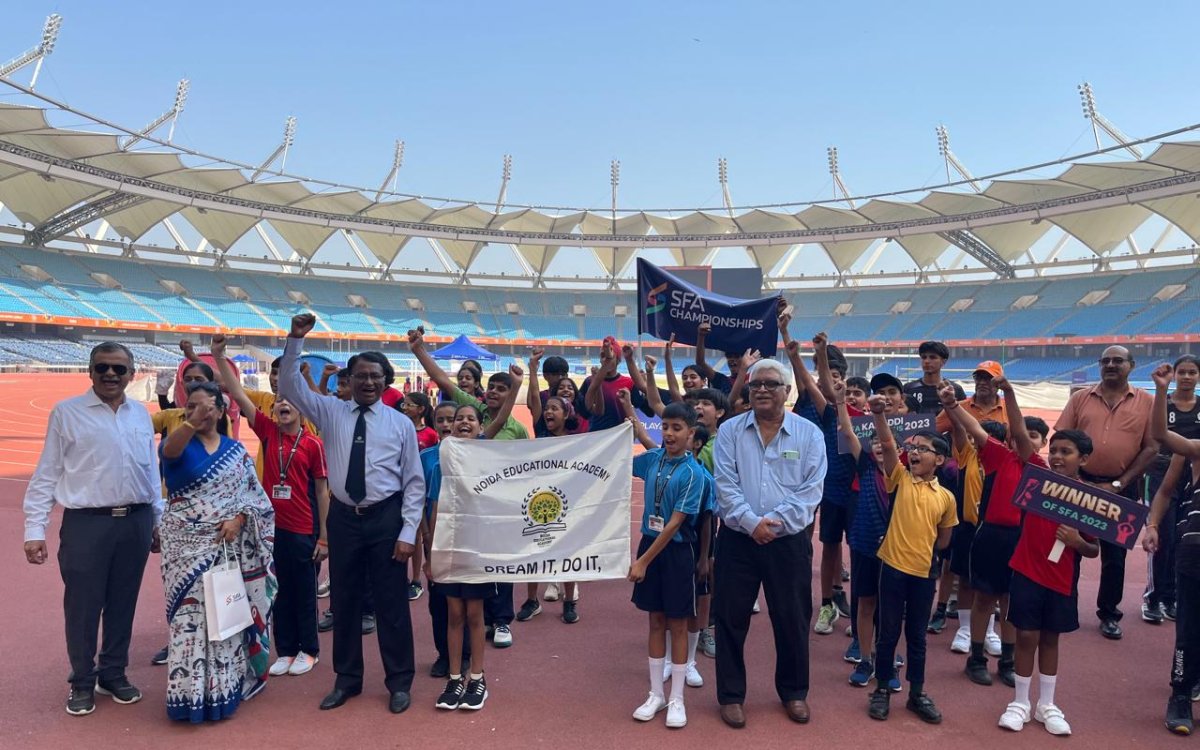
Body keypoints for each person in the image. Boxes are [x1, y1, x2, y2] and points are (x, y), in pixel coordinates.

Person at [280, 313, 426, 715]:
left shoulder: (400, 425)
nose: (367, 382)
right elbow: (289, 384)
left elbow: (414, 482)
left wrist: (408, 532)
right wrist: (295, 340)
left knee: (391, 603)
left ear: (385, 381)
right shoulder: (330, 411)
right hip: (344, 517)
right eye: (360, 375)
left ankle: (399, 682)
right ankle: (347, 680)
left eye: (375, 376)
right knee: (343, 601)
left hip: (386, 518)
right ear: (351, 377)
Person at [23, 342, 161, 717]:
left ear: (132, 373)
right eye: (102, 368)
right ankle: (82, 681)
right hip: (87, 524)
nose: (111, 375)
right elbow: (47, 472)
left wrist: (157, 520)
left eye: (119, 368)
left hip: (135, 520)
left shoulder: (141, 414)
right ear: (90, 371)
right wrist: (34, 528)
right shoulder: (66, 413)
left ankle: (113, 673)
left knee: (123, 603)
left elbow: (150, 470)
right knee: (83, 607)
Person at [712, 358, 827, 728]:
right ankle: (731, 696)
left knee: (793, 619)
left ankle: (794, 692)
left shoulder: (809, 434)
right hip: (736, 540)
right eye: (755, 384)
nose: (761, 389)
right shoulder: (730, 431)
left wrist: (771, 527)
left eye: (771, 384)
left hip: (788, 543)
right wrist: (749, 523)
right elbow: (725, 485)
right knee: (730, 617)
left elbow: (810, 491)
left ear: (787, 391)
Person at [211, 333, 330, 679]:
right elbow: (237, 394)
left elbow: (322, 492)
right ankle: (286, 649)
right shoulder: (267, 431)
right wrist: (219, 357)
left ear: (300, 409)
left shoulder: (312, 444)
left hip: (302, 529)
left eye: (290, 402)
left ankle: (308, 649)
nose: (282, 404)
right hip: (267, 529)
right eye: (278, 401)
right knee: (275, 591)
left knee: (303, 591)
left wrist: (324, 537)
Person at [159, 381, 277, 722]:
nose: (198, 411)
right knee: (190, 619)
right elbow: (169, 455)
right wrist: (192, 423)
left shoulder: (235, 451)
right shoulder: (177, 442)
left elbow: (254, 498)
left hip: (227, 548)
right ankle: (188, 696)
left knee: (225, 617)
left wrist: (240, 519)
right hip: (185, 547)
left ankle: (224, 691)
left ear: (222, 410)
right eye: (190, 407)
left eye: (205, 406)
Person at [409, 329, 526, 648]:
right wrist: (420, 352)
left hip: (496, 506)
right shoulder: (468, 420)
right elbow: (444, 383)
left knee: (496, 567)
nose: (458, 424)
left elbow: (507, 429)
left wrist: (518, 386)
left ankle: (500, 621)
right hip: (458, 515)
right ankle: (469, 636)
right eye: (493, 388)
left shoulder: (511, 428)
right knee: (468, 576)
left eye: (503, 389)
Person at [428, 367, 524, 712]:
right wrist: (431, 552)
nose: (464, 422)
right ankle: (455, 678)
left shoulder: (485, 451)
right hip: (451, 546)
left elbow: (502, 418)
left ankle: (478, 679)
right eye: (459, 419)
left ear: (482, 428)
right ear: (450, 427)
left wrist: (517, 385)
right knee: (453, 614)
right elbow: (437, 505)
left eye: (471, 418)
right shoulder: (444, 455)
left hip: (479, 547)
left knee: (474, 615)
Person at [996, 414, 1098, 736]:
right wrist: (1009, 393)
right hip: (1027, 569)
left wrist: (1077, 541)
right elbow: (1023, 441)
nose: (1056, 456)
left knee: (1050, 638)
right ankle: (1020, 703)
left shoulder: (1090, 499)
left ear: (1083, 459)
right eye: (1053, 450)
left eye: (1065, 452)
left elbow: (1094, 549)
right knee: (1026, 635)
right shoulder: (1038, 477)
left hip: (1062, 577)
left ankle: (1047, 705)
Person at [942, 377, 1046, 687]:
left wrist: (1010, 395)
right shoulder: (1000, 456)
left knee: (1010, 602)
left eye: (1031, 436)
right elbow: (975, 429)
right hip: (991, 537)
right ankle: (976, 658)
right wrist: (951, 406)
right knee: (984, 599)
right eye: (1019, 435)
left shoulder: (1040, 467)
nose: (1023, 439)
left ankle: (1008, 662)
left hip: (1021, 541)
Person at [865, 392, 957, 724]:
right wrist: (878, 416)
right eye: (913, 448)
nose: (914, 453)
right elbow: (889, 448)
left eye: (923, 450)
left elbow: (945, 539)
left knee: (917, 636)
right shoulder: (900, 479)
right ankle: (881, 690)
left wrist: (930, 558)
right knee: (888, 633)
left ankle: (916, 693)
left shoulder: (946, 498)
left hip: (923, 574)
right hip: (891, 569)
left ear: (940, 460)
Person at [1055, 345, 1157, 640]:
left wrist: (1118, 484)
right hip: (1079, 484)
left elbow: (1151, 448)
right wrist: (1077, 479)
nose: (1111, 365)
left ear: (1131, 365)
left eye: (1118, 360)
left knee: (1115, 557)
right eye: (1106, 360)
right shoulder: (1080, 398)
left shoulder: (1146, 402)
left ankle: (1109, 613)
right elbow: (1062, 437)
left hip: (1121, 490)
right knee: (1069, 546)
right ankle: (1065, 606)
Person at [621, 400, 706, 729]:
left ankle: (677, 699)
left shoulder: (693, 474)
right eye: (666, 427)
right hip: (649, 544)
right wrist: (627, 422)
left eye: (677, 428)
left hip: (675, 552)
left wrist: (641, 561)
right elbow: (620, 460)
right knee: (655, 621)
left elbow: (673, 524)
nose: (670, 434)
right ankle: (656, 693)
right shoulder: (653, 459)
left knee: (678, 625)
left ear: (691, 433)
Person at [835, 379, 899, 692]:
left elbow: (887, 442)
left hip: (896, 550)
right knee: (866, 604)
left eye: (883, 443)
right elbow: (848, 431)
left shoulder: (903, 476)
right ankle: (865, 658)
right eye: (872, 442)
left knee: (890, 607)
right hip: (863, 545)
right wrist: (838, 402)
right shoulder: (864, 468)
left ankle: (886, 659)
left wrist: (879, 416)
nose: (877, 445)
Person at [1147, 363, 1200, 735]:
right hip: (1195, 549)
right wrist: (1162, 390)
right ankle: (1180, 695)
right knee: (1189, 627)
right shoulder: (1196, 448)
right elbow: (1162, 435)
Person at [1143, 355, 1200, 624]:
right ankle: (1153, 598)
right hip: (1164, 470)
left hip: (1194, 472)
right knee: (1162, 535)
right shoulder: (1162, 405)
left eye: (1192, 372)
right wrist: (1161, 389)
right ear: (1175, 374)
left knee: (1184, 537)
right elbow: (1157, 435)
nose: (1187, 377)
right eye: (1183, 372)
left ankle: (1171, 596)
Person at [423, 401, 471, 679]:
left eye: (449, 419)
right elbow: (423, 501)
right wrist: (427, 543)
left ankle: (465, 655)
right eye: (439, 420)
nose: (445, 424)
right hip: (438, 539)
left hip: (467, 540)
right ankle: (444, 654)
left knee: (467, 603)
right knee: (439, 603)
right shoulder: (428, 457)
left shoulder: (477, 456)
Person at [398, 391, 439, 602]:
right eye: (403, 405)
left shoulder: (430, 435)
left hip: (418, 491)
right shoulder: (398, 429)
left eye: (409, 405)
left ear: (421, 409)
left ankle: (415, 579)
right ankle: (400, 578)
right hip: (398, 490)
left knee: (414, 534)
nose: (404, 408)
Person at [902, 341, 966, 416]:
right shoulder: (908, 388)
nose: (927, 361)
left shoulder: (955, 390)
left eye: (932, 357)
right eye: (924, 357)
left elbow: (963, 418)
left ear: (943, 362)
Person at [692, 321, 744, 396]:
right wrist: (701, 336)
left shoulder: (754, 379)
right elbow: (700, 363)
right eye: (729, 356)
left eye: (736, 356)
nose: (732, 359)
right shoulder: (723, 381)